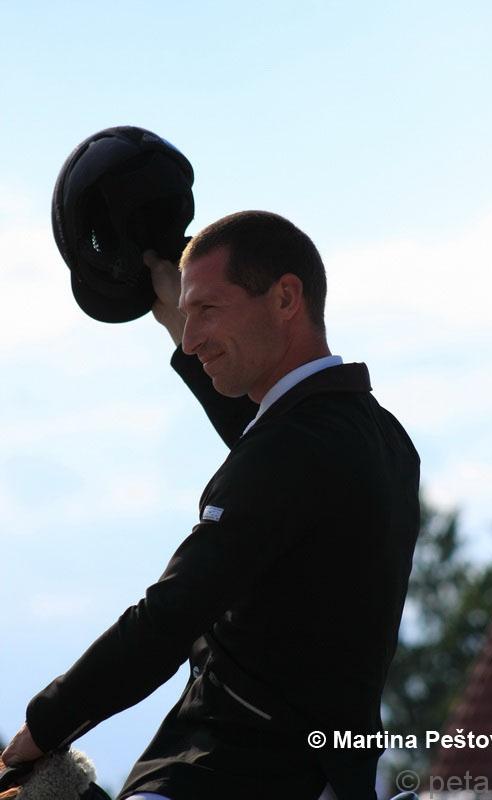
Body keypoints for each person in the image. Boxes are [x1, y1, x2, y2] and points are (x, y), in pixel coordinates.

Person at [2, 211, 420, 800]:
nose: (191, 337)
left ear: (286, 298)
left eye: (208, 310)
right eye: (188, 313)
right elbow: (268, 444)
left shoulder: (289, 453)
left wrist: (42, 729)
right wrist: (175, 311)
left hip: (231, 770)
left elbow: (170, 618)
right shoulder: (382, 438)